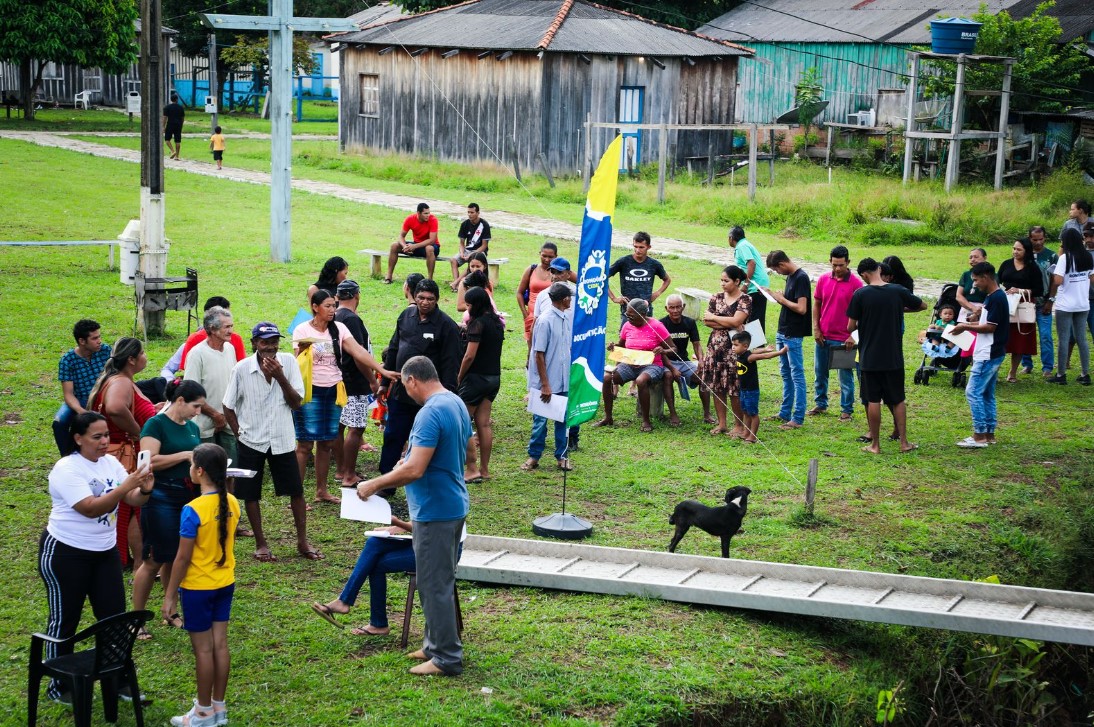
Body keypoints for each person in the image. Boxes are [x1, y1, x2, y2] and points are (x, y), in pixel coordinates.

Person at [356, 356, 472, 677]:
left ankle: (446, 657)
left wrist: (373, 484)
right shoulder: (455, 402)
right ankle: (435, 642)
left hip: (436, 511)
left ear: (411, 381)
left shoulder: (430, 413)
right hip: (449, 504)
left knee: (434, 584)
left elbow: (415, 468)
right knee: (434, 580)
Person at [38, 412, 153, 704]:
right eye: (97, 437)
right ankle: (59, 686)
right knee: (65, 620)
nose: (104, 442)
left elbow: (133, 499)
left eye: (106, 436)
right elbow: (90, 508)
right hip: (66, 553)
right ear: (78, 439)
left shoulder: (110, 463)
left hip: (104, 553)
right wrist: (127, 486)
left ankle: (118, 681)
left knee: (114, 619)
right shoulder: (67, 469)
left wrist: (145, 488)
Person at [222, 322, 319, 563]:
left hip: (282, 438)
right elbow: (228, 405)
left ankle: (302, 541)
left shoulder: (288, 362)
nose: (271, 347)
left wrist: (280, 376)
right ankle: (261, 543)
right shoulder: (242, 369)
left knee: (296, 491)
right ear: (254, 343)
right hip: (251, 440)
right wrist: (239, 434)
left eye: (274, 341)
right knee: (251, 493)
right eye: (265, 342)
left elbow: (296, 403)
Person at [162, 443, 240, 727]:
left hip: (197, 588)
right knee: (220, 645)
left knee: (203, 651)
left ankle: (203, 712)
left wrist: (169, 596)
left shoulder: (192, 509)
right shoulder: (232, 501)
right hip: (225, 583)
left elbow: (182, 558)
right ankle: (219, 708)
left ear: (199, 471)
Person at [294, 290, 394, 505]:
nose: (332, 310)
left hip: (333, 390)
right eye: (328, 306)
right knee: (304, 445)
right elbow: (298, 362)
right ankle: (298, 495)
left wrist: (381, 371)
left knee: (326, 443)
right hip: (310, 391)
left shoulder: (339, 329)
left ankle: (321, 491)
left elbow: (359, 351)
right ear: (315, 307)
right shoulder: (302, 329)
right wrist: (301, 350)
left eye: (334, 306)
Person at [131, 379, 205, 640]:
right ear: (181, 401)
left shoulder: (193, 428)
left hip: (187, 494)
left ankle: (170, 609)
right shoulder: (156, 424)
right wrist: (185, 455)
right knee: (154, 559)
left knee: (176, 555)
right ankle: (136, 619)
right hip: (160, 494)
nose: (198, 412)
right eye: (196, 406)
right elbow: (148, 461)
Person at [379, 280, 461, 485]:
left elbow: (451, 363)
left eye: (430, 299)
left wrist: (447, 395)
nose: (425, 302)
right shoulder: (406, 316)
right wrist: (384, 382)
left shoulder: (446, 326)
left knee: (424, 442)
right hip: (400, 391)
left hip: (427, 398)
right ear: (414, 297)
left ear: (437, 300)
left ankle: (423, 481)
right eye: (421, 298)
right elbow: (394, 348)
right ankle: (386, 482)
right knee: (392, 436)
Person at [88, 337, 157, 570]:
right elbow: (116, 408)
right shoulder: (122, 382)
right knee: (135, 509)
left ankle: (129, 559)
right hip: (125, 453)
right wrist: (138, 432)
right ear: (131, 359)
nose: (146, 357)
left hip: (120, 451)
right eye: (143, 353)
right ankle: (139, 562)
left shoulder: (116, 379)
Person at [846, 258, 926, 454]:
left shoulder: (860, 294)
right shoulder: (898, 290)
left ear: (864, 275)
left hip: (869, 357)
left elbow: (850, 327)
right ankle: (904, 443)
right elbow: (922, 305)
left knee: (873, 399)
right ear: (879, 269)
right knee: (898, 399)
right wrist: (899, 309)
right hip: (893, 356)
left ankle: (875, 445)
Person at [949, 262, 1009, 447]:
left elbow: (990, 327)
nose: (974, 285)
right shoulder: (993, 297)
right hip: (992, 351)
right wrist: (968, 324)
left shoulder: (997, 298)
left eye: (976, 280)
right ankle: (989, 434)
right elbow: (988, 323)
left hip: (988, 353)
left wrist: (965, 326)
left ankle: (979, 436)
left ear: (986, 277)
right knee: (986, 393)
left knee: (973, 392)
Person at [595, 299, 675, 433]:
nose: (628, 318)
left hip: (652, 365)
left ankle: (646, 420)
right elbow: (621, 344)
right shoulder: (627, 326)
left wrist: (663, 350)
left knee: (641, 380)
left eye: (632, 315)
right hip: (630, 364)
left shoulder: (656, 326)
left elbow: (673, 348)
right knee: (607, 378)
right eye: (627, 315)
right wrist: (613, 346)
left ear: (643, 314)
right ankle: (608, 417)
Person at [523, 283, 575, 471]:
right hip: (547, 381)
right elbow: (539, 354)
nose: (571, 300)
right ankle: (534, 455)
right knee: (540, 421)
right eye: (569, 297)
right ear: (564, 300)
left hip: (562, 378)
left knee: (562, 419)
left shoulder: (566, 318)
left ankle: (561, 456)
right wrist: (545, 385)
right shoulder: (545, 321)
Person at [332, 280, 378, 488]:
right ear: (357, 295)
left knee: (339, 426)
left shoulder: (334, 316)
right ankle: (348, 474)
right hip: (354, 380)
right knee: (356, 427)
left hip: (337, 378)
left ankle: (341, 469)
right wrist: (371, 380)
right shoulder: (351, 319)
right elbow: (359, 354)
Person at [458, 287, 504, 482]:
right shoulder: (497, 322)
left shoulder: (477, 324)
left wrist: (459, 376)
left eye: (468, 305)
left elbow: (469, 355)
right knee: (483, 424)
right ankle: (485, 469)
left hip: (476, 379)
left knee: (462, 423)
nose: (467, 309)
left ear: (476, 304)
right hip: (493, 378)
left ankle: (472, 468)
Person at [811, 245, 862, 421]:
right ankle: (821, 403)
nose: (838, 269)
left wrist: (852, 336)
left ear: (848, 262)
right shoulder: (824, 279)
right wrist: (816, 328)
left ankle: (846, 409)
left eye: (841, 265)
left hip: (843, 339)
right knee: (820, 372)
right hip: (823, 336)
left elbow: (861, 314)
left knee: (845, 376)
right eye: (834, 265)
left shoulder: (856, 284)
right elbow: (816, 304)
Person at [699, 266, 752, 436]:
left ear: (737, 281)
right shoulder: (716, 297)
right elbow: (707, 321)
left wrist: (715, 318)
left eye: (726, 281)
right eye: (721, 280)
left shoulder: (745, 299)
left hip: (735, 350)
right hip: (715, 348)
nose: (722, 284)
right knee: (717, 386)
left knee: (734, 387)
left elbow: (738, 320)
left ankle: (739, 424)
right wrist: (728, 322)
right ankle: (722, 423)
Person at [184, 307, 239, 468]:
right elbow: (191, 392)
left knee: (231, 470)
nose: (231, 331)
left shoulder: (230, 349)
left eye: (231, 326)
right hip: (204, 425)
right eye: (226, 327)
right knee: (208, 471)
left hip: (228, 422)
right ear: (212, 329)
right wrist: (215, 415)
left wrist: (225, 416)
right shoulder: (197, 354)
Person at [763, 251, 811, 430]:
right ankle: (784, 412)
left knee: (796, 375)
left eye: (776, 269)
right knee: (785, 373)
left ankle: (797, 417)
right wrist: (777, 295)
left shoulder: (801, 278)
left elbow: (801, 308)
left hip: (793, 333)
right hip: (782, 331)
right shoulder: (791, 277)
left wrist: (781, 299)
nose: (777, 272)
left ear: (782, 264)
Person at [54, 319, 112, 455]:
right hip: (79, 399)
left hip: (104, 396)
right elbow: (68, 394)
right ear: (82, 341)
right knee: (59, 422)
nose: (99, 341)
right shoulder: (68, 360)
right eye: (95, 338)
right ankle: (67, 458)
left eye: (99, 336)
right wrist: (82, 412)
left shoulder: (105, 351)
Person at [1048, 228, 1094, 385]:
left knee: (1063, 339)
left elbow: (1058, 281)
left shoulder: (1064, 259)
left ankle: (1061, 375)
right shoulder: (1087, 256)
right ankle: (1085, 374)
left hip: (1065, 305)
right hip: (1083, 303)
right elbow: (1092, 278)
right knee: (1082, 338)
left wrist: (1053, 272)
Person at [659, 294, 712, 425]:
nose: (675, 310)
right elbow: (660, 351)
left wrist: (700, 360)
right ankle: (673, 414)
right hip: (667, 362)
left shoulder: (690, 322)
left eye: (678, 307)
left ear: (683, 307)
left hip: (684, 361)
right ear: (666, 309)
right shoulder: (661, 324)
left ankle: (707, 414)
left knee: (703, 378)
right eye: (672, 307)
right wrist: (672, 368)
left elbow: (696, 344)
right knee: (668, 377)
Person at [997, 237, 1043, 383]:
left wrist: (1020, 290)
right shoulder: (1006, 264)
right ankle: (995, 370)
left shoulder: (1032, 267)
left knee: (1018, 340)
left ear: (1026, 251)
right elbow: (997, 281)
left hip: (1023, 306)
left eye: (1019, 249)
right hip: (1005, 303)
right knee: (1000, 338)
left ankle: (1012, 372)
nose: (1015, 252)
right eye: (1014, 248)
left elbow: (1039, 290)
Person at [730, 331, 788, 444]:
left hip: (751, 391)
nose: (733, 347)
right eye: (732, 344)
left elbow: (765, 356)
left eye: (736, 345)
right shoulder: (741, 354)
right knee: (745, 412)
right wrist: (765, 348)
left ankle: (752, 436)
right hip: (743, 389)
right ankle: (746, 433)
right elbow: (757, 351)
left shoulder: (749, 357)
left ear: (745, 346)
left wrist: (780, 352)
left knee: (753, 414)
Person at [1020, 226, 1058, 377]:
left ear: (1045, 238)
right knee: (1024, 334)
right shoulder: (1024, 255)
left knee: (1045, 335)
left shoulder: (1051, 256)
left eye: (1041, 239)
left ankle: (1047, 367)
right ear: (1029, 239)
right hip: (1026, 303)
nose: (1038, 243)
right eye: (1034, 240)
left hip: (1044, 303)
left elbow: (1055, 280)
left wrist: (1050, 300)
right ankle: (1026, 364)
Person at [607, 232, 671, 318]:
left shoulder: (654, 264)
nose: (638, 250)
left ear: (648, 247)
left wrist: (657, 293)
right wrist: (614, 298)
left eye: (641, 247)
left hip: (646, 310)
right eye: (635, 246)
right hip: (627, 311)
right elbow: (602, 278)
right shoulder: (623, 262)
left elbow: (667, 280)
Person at [517, 242, 561, 350]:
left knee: (549, 349)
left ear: (556, 257)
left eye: (550, 257)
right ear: (539, 254)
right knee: (532, 350)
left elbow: (579, 279)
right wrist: (525, 314)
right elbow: (519, 293)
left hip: (552, 317)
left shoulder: (560, 272)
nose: (546, 259)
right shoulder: (531, 270)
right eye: (544, 256)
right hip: (532, 317)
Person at [728, 226, 769, 333]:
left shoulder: (742, 246)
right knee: (750, 314)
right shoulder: (744, 244)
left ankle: (757, 344)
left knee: (755, 316)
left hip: (756, 285)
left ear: (731, 238)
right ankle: (748, 340)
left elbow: (751, 263)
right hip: (756, 284)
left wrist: (746, 284)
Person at [386, 202, 439, 283]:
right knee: (394, 246)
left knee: (429, 248)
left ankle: (430, 280)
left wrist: (414, 246)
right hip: (416, 245)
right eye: (425, 213)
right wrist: (405, 246)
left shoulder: (433, 220)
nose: (428, 215)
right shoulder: (410, 219)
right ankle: (388, 277)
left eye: (429, 213)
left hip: (432, 247)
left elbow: (432, 240)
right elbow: (401, 236)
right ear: (418, 213)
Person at [449, 203, 491, 290]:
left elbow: (484, 245)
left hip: (479, 251)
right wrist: (461, 253)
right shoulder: (464, 224)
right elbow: (461, 243)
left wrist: (471, 255)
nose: (469, 214)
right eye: (468, 212)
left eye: (472, 212)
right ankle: (456, 283)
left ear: (478, 213)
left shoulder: (484, 225)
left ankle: (457, 283)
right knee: (453, 260)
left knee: (472, 262)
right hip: (467, 250)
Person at [955, 248, 988, 316]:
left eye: (976, 257)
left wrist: (979, 310)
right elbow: (958, 296)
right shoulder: (966, 275)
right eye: (970, 257)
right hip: (966, 309)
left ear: (985, 258)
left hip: (983, 310)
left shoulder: (990, 275)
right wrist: (972, 308)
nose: (973, 259)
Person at [163, 93, 185, 160]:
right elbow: (182, 118)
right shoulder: (181, 107)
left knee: (167, 139)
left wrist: (163, 126)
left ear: (171, 99)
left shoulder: (167, 107)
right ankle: (177, 156)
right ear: (177, 99)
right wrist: (181, 125)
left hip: (170, 124)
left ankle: (173, 151)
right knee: (177, 141)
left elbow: (165, 117)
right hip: (178, 125)